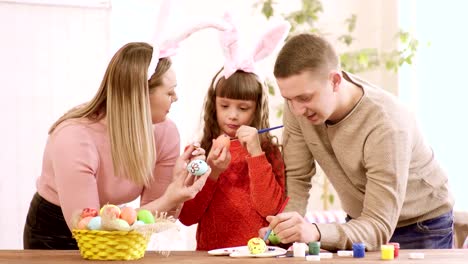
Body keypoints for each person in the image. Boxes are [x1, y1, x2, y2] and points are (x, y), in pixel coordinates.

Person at [22, 15, 229, 249]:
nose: (176, 98)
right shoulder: (74, 139)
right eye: (169, 92)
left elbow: (157, 220)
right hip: (57, 232)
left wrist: (179, 187)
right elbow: (88, 228)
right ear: (140, 96)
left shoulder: (165, 132)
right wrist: (169, 197)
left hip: (114, 230)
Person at [261, 33, 454, 251]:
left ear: (335, 81)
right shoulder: (298, 104)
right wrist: (285, 228)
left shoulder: (387, 125)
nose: (296, 110)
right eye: (289, 99)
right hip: (361, 222)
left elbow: (379, 226)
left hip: (420, 225)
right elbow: (297, 176)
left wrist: (314, 231)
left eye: (305, 98)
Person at [178, 14, 290, 250]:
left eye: (243, 108)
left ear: (256, 109)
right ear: (214, 104)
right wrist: (213, 172)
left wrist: (256, 153)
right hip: (211, 255)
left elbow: (271, 210)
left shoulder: (268, 151)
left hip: (259, 254)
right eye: (225, 105)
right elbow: (187, 216)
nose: (233, 115)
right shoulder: (200, 151)